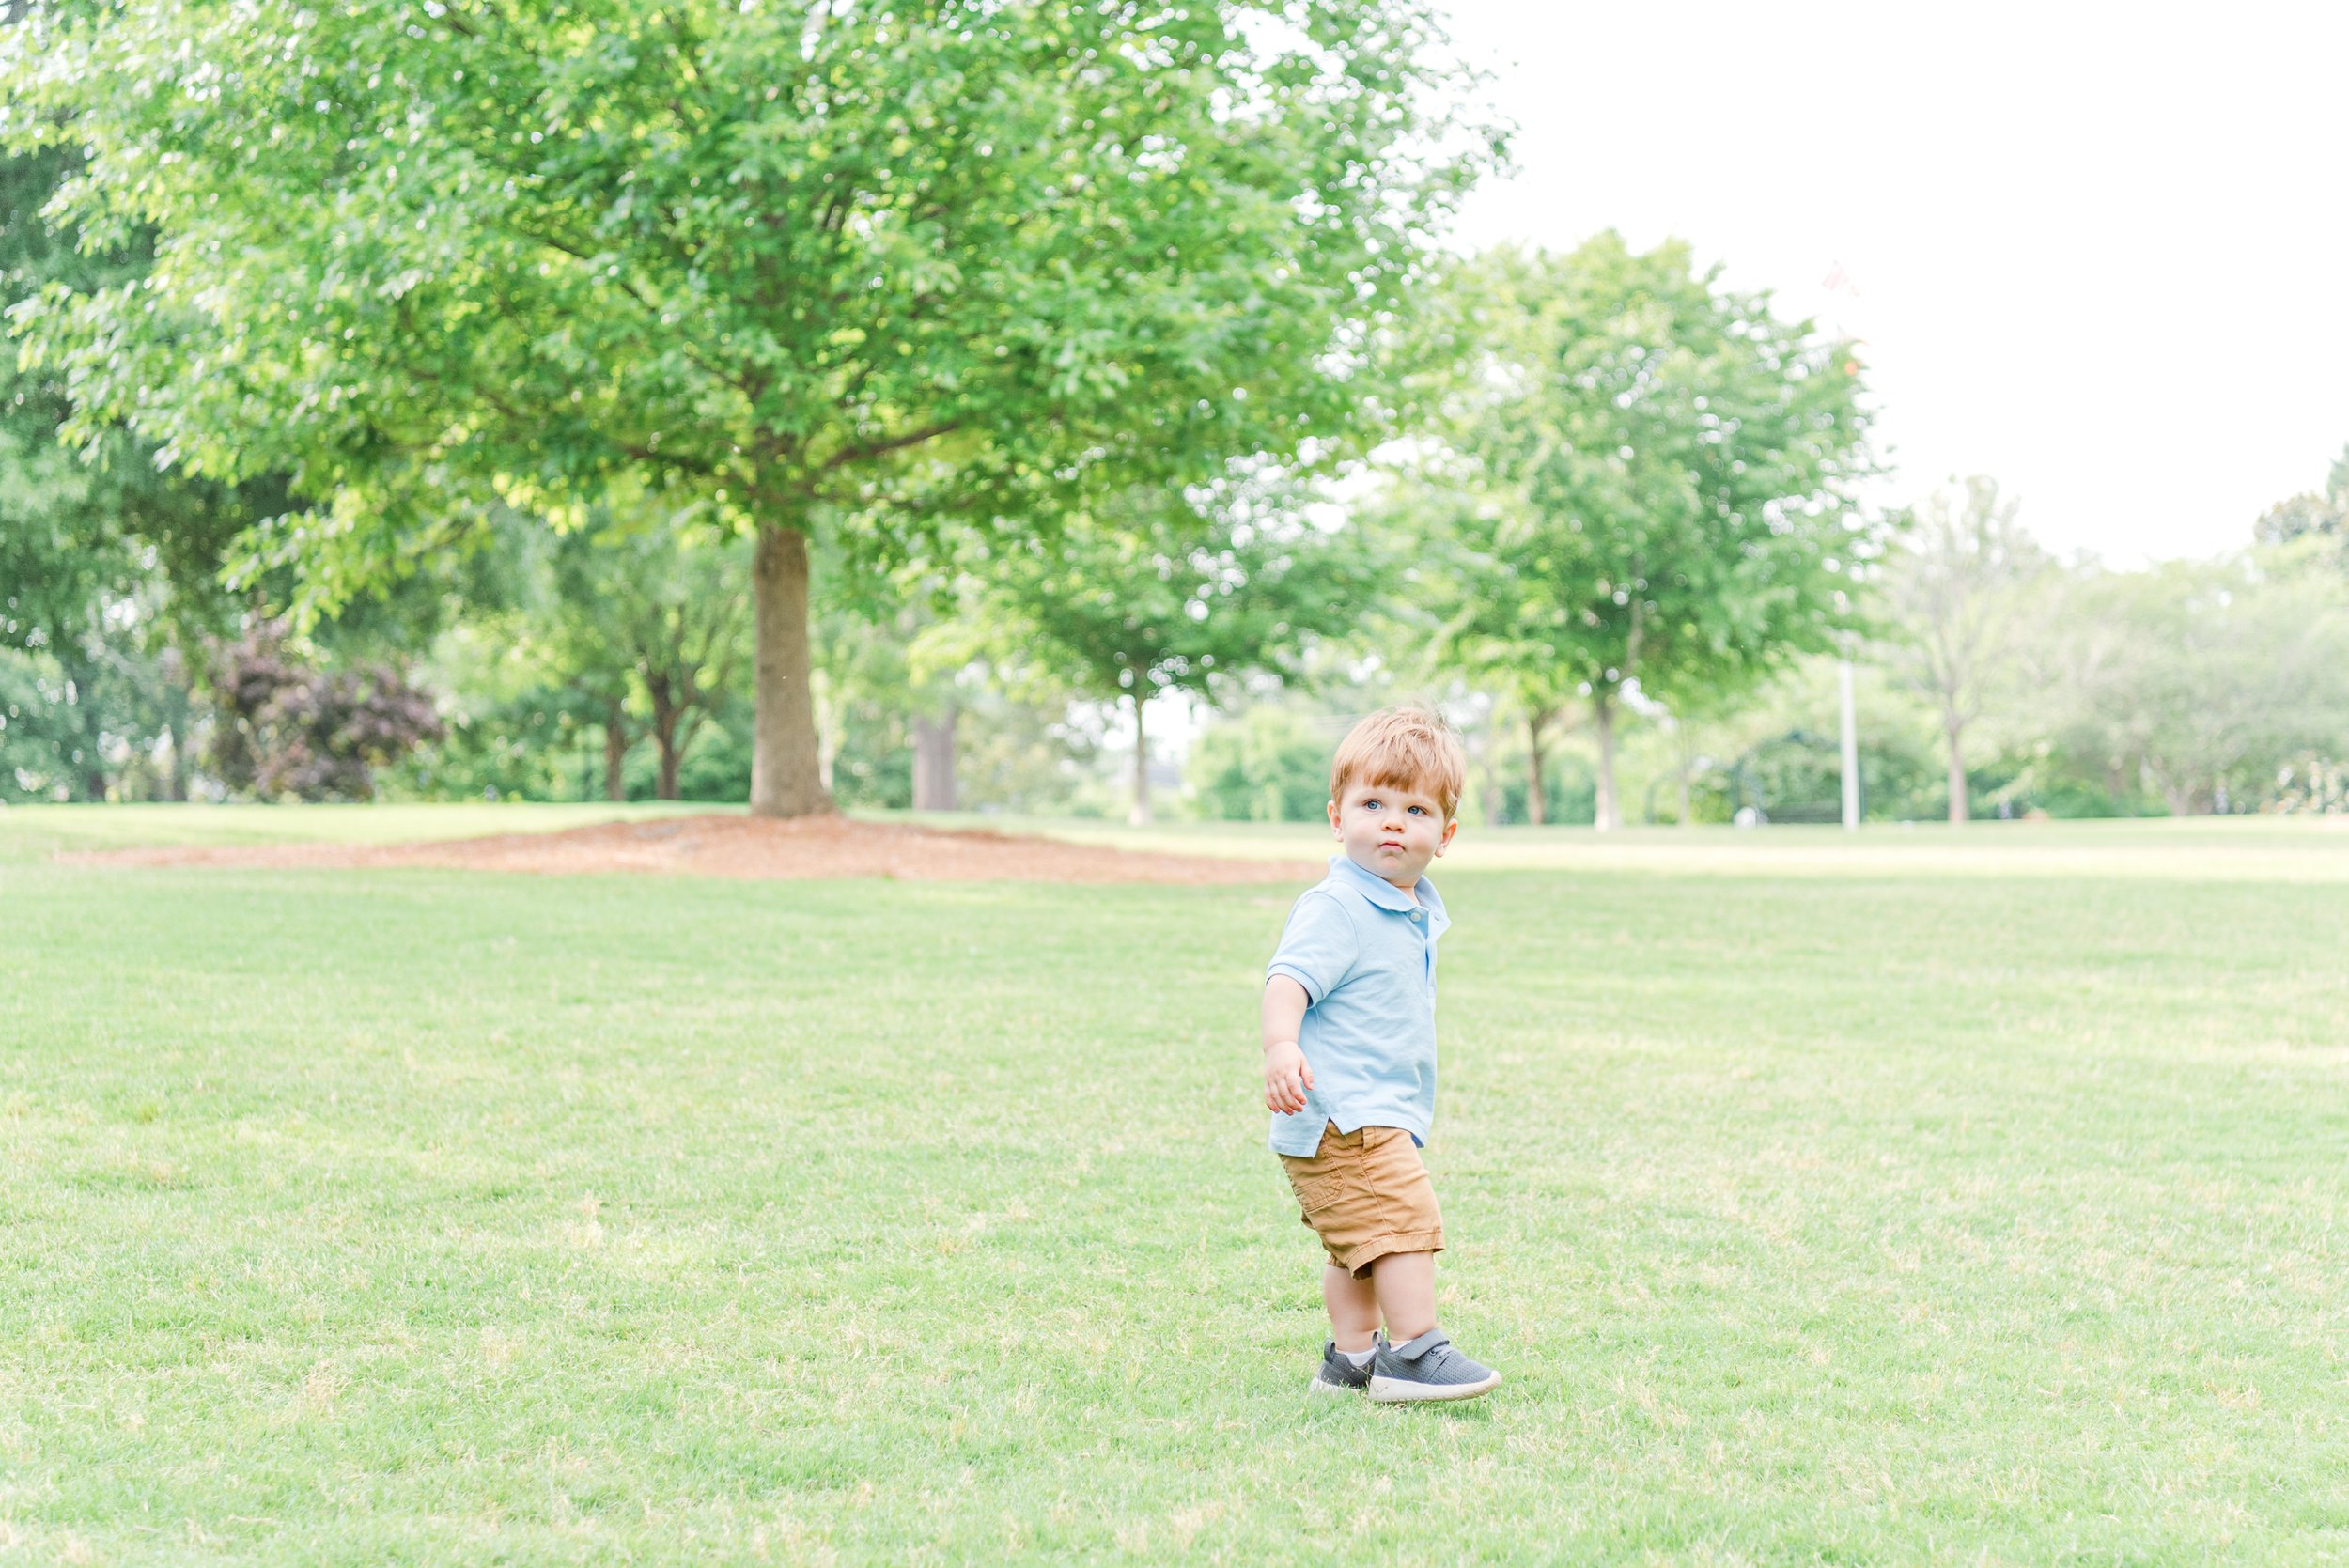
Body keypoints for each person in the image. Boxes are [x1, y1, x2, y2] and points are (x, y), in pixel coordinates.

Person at [1261, 706, 1501, 1403]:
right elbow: (1288, 980)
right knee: (1402, 1222)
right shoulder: (1339, 904)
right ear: (1337, 817)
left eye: (1415, 808)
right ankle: (1415, 1350)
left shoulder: (1405, 904)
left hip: (1361, 1109)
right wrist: (1281, 1045)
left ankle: (1351, 1360)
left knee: (1358, 1245)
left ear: (1445, 834)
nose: (1393, 821)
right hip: (1342, 1111)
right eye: (1373, 802)